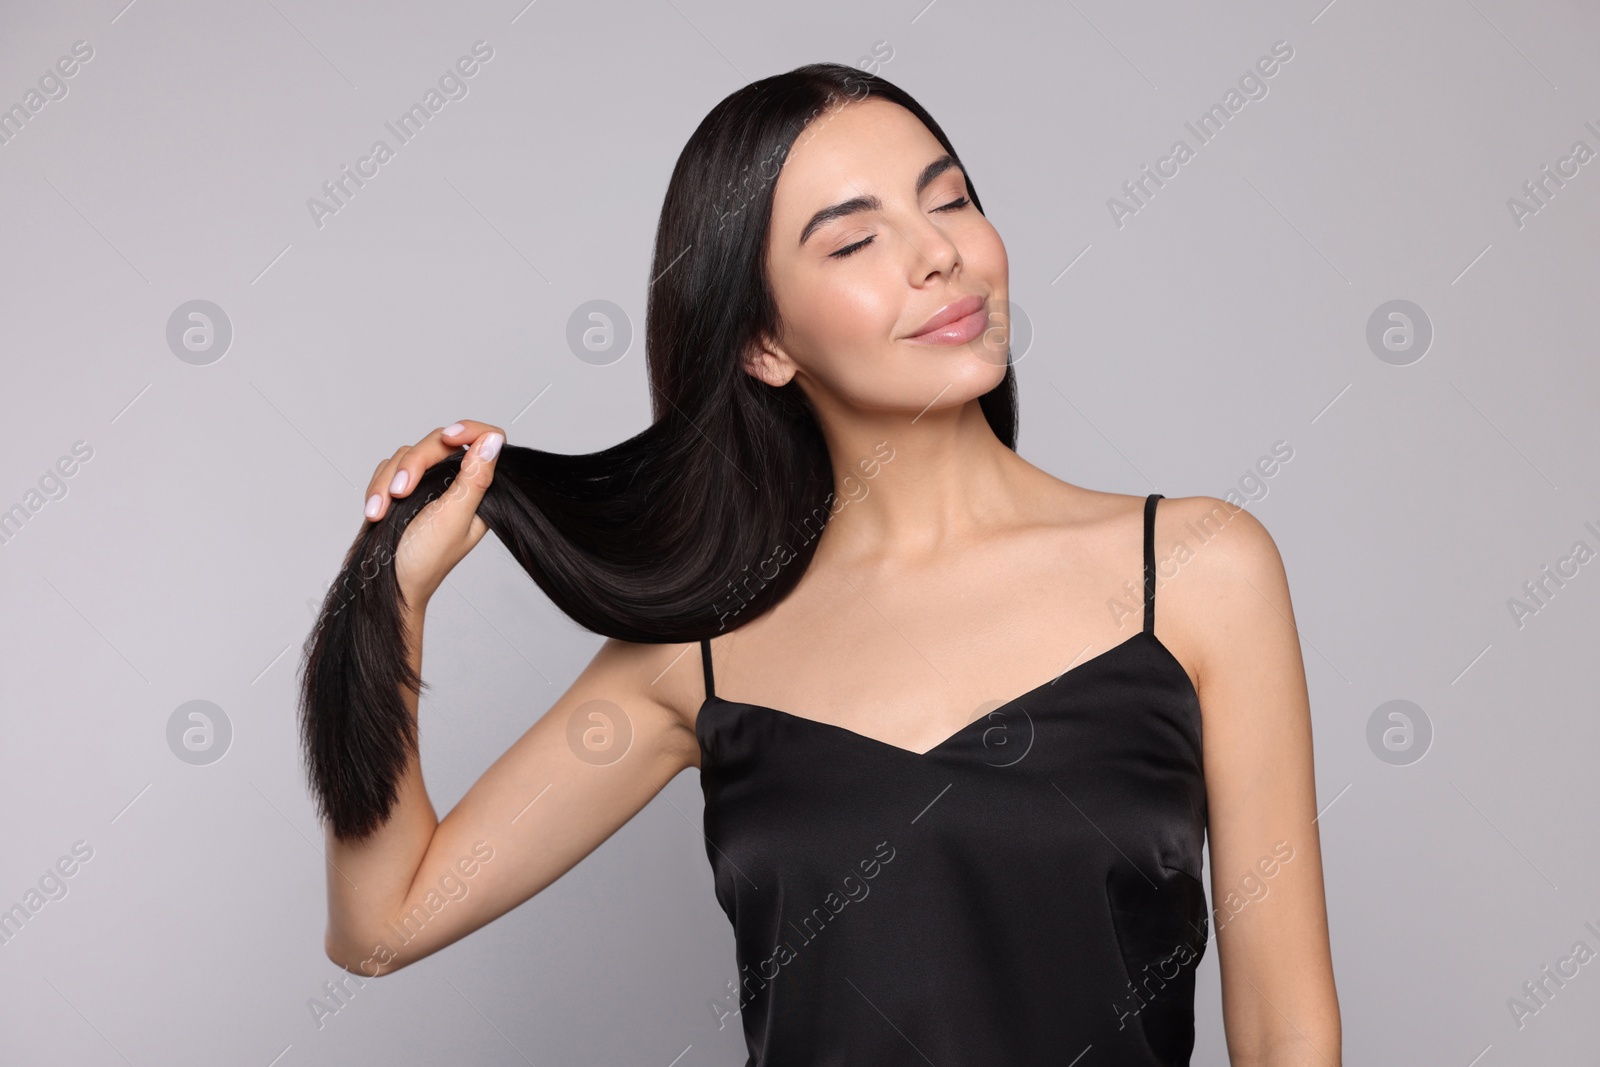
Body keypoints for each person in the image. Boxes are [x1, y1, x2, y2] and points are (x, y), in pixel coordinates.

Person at [307, 63, 1339, 1065]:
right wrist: (392, 586)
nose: (937, 254)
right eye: (855, 240)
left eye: (950, 201)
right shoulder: (699, 658)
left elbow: (1289, 1035)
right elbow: (381, 921)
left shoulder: (1200, 569)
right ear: (763, 343)